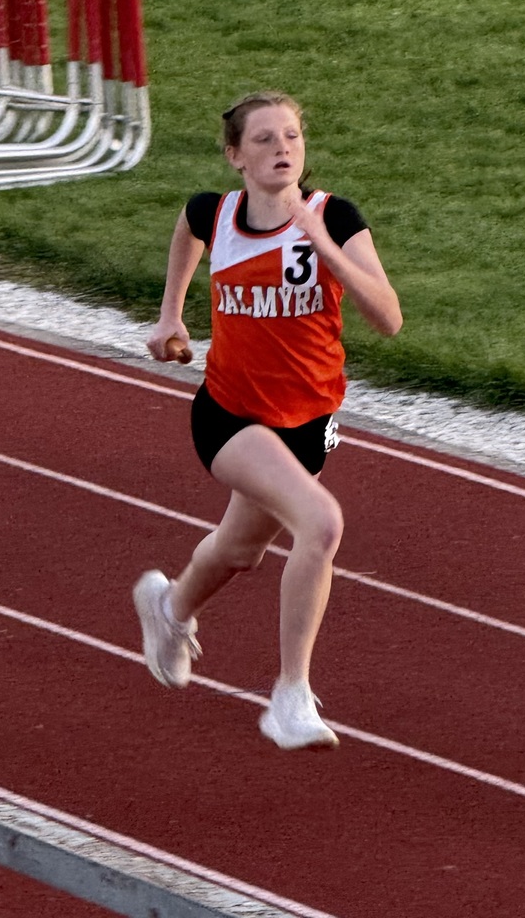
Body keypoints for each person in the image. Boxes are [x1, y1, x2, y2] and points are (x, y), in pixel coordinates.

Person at [134, 90, 402, 750]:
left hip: (306, 423)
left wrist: (325, 247)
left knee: (240, 551)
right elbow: (189, 226)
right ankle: (289, 695)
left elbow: (388, 319)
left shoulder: (334, 217)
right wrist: (170, 316)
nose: (282, 147)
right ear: (235, 156)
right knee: (321, 523)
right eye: (264, 139)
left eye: (292, 136)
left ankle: (169, 607)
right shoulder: (217, 213)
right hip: (228, 417)